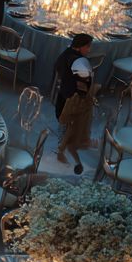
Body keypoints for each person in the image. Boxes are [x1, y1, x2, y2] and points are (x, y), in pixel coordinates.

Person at [53, 33, 95, 173]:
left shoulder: (65, 54)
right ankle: (61, 150)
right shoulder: (79, 63)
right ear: (80, 46)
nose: (89, 50)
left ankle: (62, 148)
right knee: (68, 124)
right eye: (87, 47)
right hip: (71, 99)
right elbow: (84, 84)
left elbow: (58, 67)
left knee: (64, 122)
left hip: (63, 94)